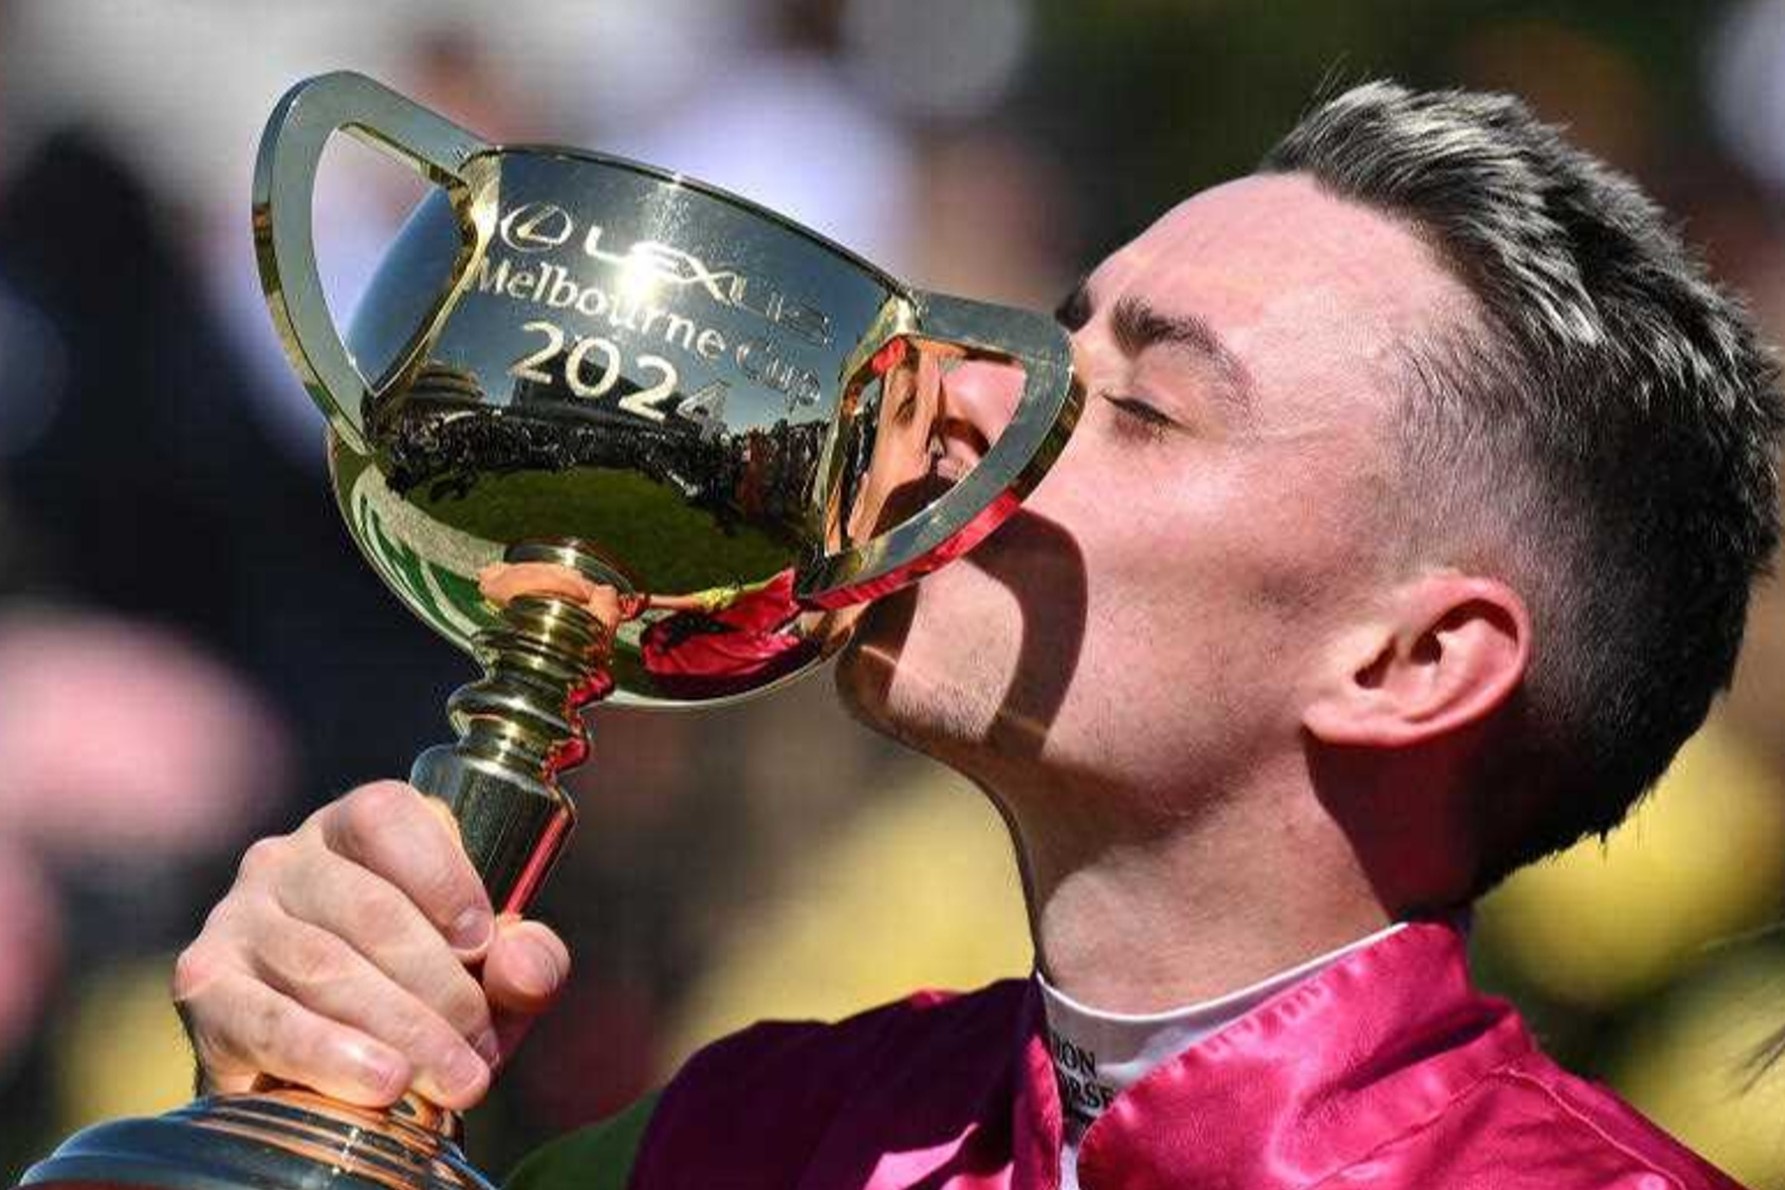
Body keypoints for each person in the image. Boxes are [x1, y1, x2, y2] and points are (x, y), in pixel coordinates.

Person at [171, 82, 1783, 1188]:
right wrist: (281, 1125)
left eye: (1139, 403)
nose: (953, 401)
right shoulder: (744, 1137)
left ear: (1407, 664)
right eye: (1045, 333)